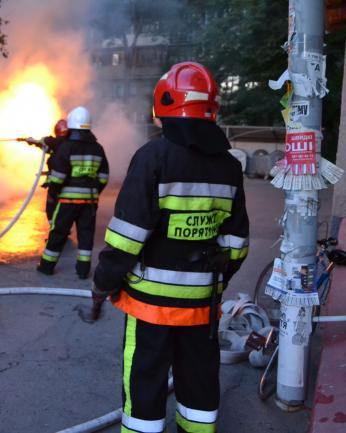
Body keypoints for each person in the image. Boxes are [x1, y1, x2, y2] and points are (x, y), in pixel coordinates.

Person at [92, 62, 249, 433]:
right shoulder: (229, 167)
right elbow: (237, 244)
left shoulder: (153, 157)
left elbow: (127, 236)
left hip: (151, 306)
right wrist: (214, 283)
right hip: (202, 306)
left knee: (146, 379)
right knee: (199, 379)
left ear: (164, 103)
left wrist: (103, 283)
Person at [36, 106, 109, 279]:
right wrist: (93, 192)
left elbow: (58, 177)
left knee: (58, 233)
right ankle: (83, 271)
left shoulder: (67, 147)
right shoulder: (98, 148)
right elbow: (104, 177)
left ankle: (47, 267)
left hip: (67, 201)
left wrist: (54, 194)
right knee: (86, 235)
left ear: (71, 126)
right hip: (89, 202)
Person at [23, 119, 70, 220]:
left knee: (52, 211)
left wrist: (33, 141)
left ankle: (55, 229)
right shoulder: (70, 144)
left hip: (57, 186)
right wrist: (35, 143)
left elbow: (47, 141)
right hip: (70, 186)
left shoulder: (58, 142)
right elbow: (49, 148)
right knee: (64, 214)